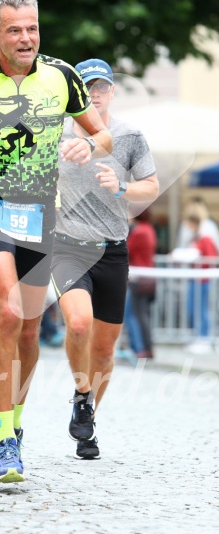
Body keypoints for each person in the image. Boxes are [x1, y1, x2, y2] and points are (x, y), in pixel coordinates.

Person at [0, 0, 113, 483]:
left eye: (32, 29)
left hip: (39, 213)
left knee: (32, 330)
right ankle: (1, 442)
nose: (26, 39)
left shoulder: (62, 76)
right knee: (8, 312)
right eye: (15, 30)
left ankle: (15, 427)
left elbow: (102, 136)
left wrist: (86, 143)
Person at [50, 58, 159, 460]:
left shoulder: (129, 136)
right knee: (78, 323)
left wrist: (121, 188)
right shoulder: (55, 132)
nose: (94, 94)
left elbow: (151, 186)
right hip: (67, 245)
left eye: (101, 87)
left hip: (113, 249)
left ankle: (88, 419)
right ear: (75, 93)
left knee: (104, 351)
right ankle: (82, 395)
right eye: (87, 87)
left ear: (112, 91)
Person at [126, 208, 158, 359]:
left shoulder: (139, 232)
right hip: (148, 277)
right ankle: (147, 348)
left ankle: (139, 349)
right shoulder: (149, 229)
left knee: (134, 314)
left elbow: (126, 250)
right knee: (143, 315)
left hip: (138, 278)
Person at [184, 213, 218, 354]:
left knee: (202, 309)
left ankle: (204, 337)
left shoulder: (205, 239)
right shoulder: (195, 238)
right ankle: (200, 335)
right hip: (196, 278)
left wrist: (197, 257)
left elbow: (211, 258)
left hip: (203, 280)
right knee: (194, 309)